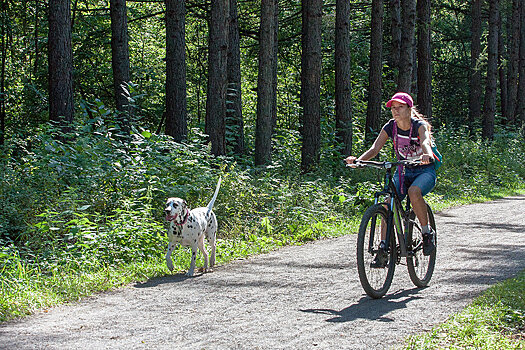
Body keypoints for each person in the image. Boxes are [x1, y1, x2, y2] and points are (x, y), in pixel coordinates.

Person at [345, 92, 436, 267]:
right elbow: (375, 148)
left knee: (414, 192)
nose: (396, 111)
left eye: (400, 107)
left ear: (409, 109)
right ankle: (383, 248)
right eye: (393, 108)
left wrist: (427, 153)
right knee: (388, 204)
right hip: (402, 172)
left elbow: (425, 141)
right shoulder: (390, 127)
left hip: (424, 170)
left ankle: (426, 233)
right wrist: (358, 161)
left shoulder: (419, 125)